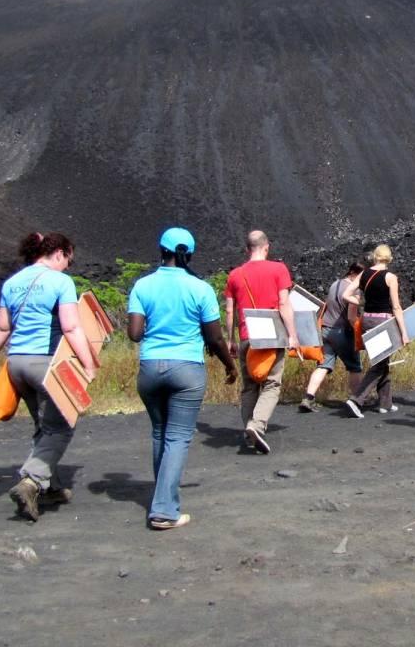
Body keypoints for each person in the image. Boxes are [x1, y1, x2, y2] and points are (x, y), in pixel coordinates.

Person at [0, 233, 97, 522]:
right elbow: (71, 327)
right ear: (59, 252)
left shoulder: (12, 282)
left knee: (44, 425)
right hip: (45, 363)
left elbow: (2, 326)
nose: (68, 266)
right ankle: (31, 481)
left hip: (16, 363)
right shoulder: (60, 282)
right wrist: (88, 362)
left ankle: (51, 488)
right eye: (68, 259)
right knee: (61, 427)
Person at [127, 227, 239, 530]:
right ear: (188, 254)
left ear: (161, 250)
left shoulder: (142, 285)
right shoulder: (200, 288)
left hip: (150, 368)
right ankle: (164, 509)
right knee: (178, 437)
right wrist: (230, 366)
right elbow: (214, 338)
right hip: (187, 369)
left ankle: (161, 497)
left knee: (160, 433)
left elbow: (134, 334)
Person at [224, 230, 299, 455]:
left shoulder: (235, 275)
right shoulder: (278, 269)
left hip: (247, 335)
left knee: (249, 386)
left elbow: (229, 310)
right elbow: (284, 305)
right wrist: (292, 334)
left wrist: (230, 340)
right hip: (272, 334)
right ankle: (256, 426)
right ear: (267, 247)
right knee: (272, 383)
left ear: (247, 249)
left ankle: (249, 431)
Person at [341, 244, 409, 417]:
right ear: (389, 258)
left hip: (367, 320)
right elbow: (396, 307)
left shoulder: (364, 274)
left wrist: (363, 303)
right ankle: (356, 399)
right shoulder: (390, 277)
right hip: (382, 322)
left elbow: (346, 295)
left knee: (382, 361)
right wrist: (404, 332)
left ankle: (385, 403)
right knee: (379, 365)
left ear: (375, 257)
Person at [298, 261, 365, 412]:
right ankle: (357, 400)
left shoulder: (335, 284)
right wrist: (359, 331)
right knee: (355, 367)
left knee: (323, 365)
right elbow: (351, 317)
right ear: (355, 274)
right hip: (342, 332)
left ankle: (308, 398)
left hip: (325, 330)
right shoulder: (354, 291)